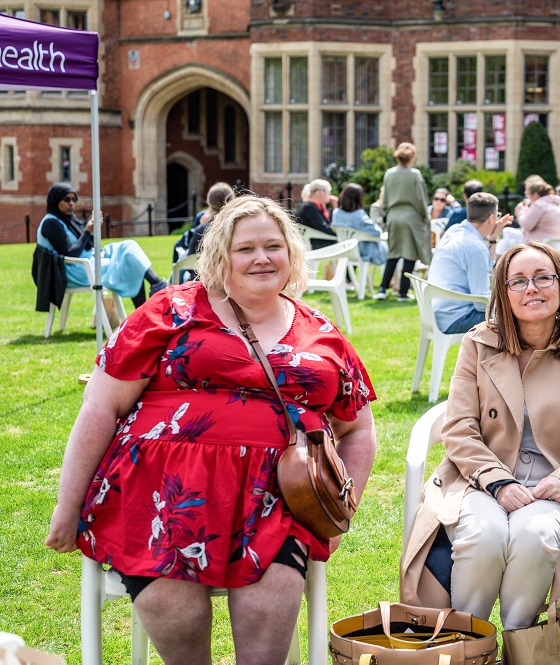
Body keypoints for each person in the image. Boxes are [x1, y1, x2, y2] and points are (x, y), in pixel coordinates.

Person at [45, 195, 378, 664]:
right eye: (246, 249)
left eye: (273, 246)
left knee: (268, 612)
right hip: (161, 496)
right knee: (175, 611)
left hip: (277, 502)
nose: (262, 258)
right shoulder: (169, 311)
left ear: (291, 254)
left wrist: (338, 511)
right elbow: (101, 406)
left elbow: (359, 430)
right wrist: (67, 506)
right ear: (221, 257)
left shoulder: (320, 332)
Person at [401, 242, 560, 637]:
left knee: (533, 536)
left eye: (542, 278)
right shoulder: (477, 343)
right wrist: (498, 482)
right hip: (481, 481)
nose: (531, 289)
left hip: (559, 487)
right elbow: (459, 426)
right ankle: (467, 645)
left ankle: (520, 644)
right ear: (503, 293)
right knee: (482, 536)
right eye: (518, 281)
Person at [36, 183, 167, 308]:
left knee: (129, 245)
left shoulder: (68, 219)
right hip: (74, 270)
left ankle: (156, 284)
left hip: (88, 259)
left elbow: (88, 244)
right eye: (66, 199)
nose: (71, 203)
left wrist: (93, 228)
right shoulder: (51, 223)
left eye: (73, 199)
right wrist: (88, 231)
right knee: (129, 265)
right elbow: (70, 252)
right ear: (55, 200)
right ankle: (151, 297)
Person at [426, 192, 511, 334]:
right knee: (517, 319)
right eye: (497, 215)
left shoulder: (454, 231)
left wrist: (493, 238)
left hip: (438, 313)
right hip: (457, 318)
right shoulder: (475, 248)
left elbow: (487, 265)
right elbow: (481, 303)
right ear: (491, 218)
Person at [374, 142, 432, 301]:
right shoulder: (414, 174)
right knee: (409, 255)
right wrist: (425, 217)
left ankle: (382, 289)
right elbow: (421, 199)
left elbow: (385, 199)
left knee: (393, 254)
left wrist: (387, 215)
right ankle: (403, 293)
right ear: (412, 157)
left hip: (393, 217)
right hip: (411, 218)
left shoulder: (389, 174)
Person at [331, 183, 388, 266]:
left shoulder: (336, 213)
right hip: (364, 252)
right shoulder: (359, 215)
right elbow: (377, 232)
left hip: (344, 250)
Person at [512, 175, 560, 250]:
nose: (528, 198)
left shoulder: (539, 205)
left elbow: (526, 226)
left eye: (528, 195)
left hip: (545, 247)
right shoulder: (556, 203)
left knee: (509, 239)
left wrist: (521, 210)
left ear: (535, 194)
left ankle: (498, 257)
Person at [186, 181, 235, 257]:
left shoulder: (202, 228)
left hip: (206, 261)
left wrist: (201, 227)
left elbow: (191, 257)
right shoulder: (238, 224)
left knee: (179, 246)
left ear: (209, 202)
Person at [296, 178, 338, 249]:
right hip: (317, 244)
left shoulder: (316, 206)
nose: (330, 195)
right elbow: (324, 228)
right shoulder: (309, 207)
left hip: (320, 242)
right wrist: (339, 233)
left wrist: (335, 207)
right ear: (319, 192)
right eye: (328, 192)